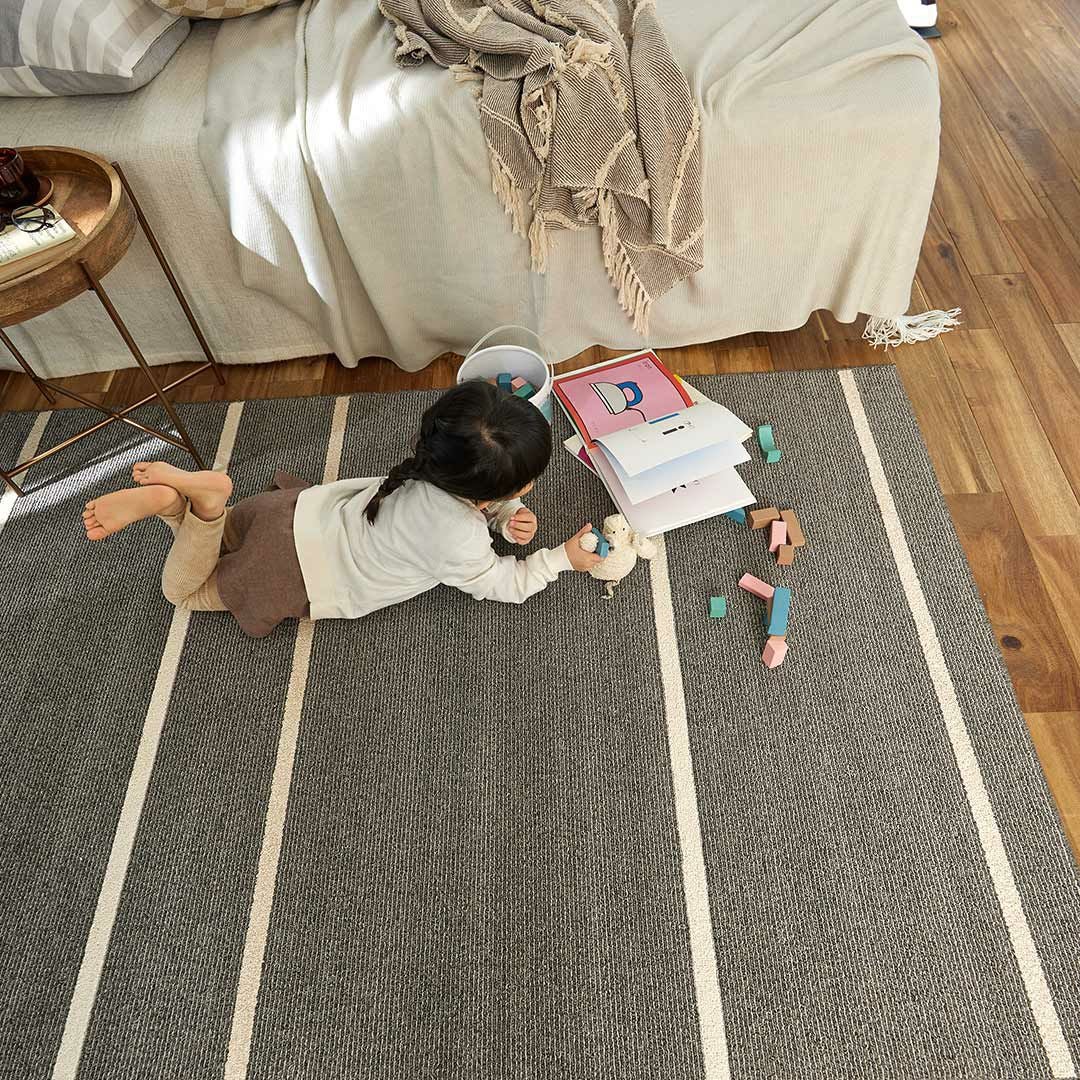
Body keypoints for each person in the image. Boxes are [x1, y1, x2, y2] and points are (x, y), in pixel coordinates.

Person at [81, 381, 602, 637]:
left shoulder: (430, 464)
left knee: (220, 539)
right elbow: (503, 584)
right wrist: (562, 559)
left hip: (287, 513)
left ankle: (187, 502)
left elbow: (473, 491)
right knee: (184, 593)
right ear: (493, 489)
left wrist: (504, 513)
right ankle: (198, 508)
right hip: (291, 572)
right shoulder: (458, 539)